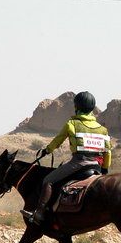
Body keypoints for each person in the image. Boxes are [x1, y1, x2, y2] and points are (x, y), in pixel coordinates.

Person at [21, 91, 111, 225]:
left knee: (48, 181)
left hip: (79, 163)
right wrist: (104, 170)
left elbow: (57, 141)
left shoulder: (72, 124)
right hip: (97, 165)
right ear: (92, 108)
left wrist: (47, 150)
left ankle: (39, 214)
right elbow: (107, 152)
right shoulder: (102, 129)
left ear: (77, 107)